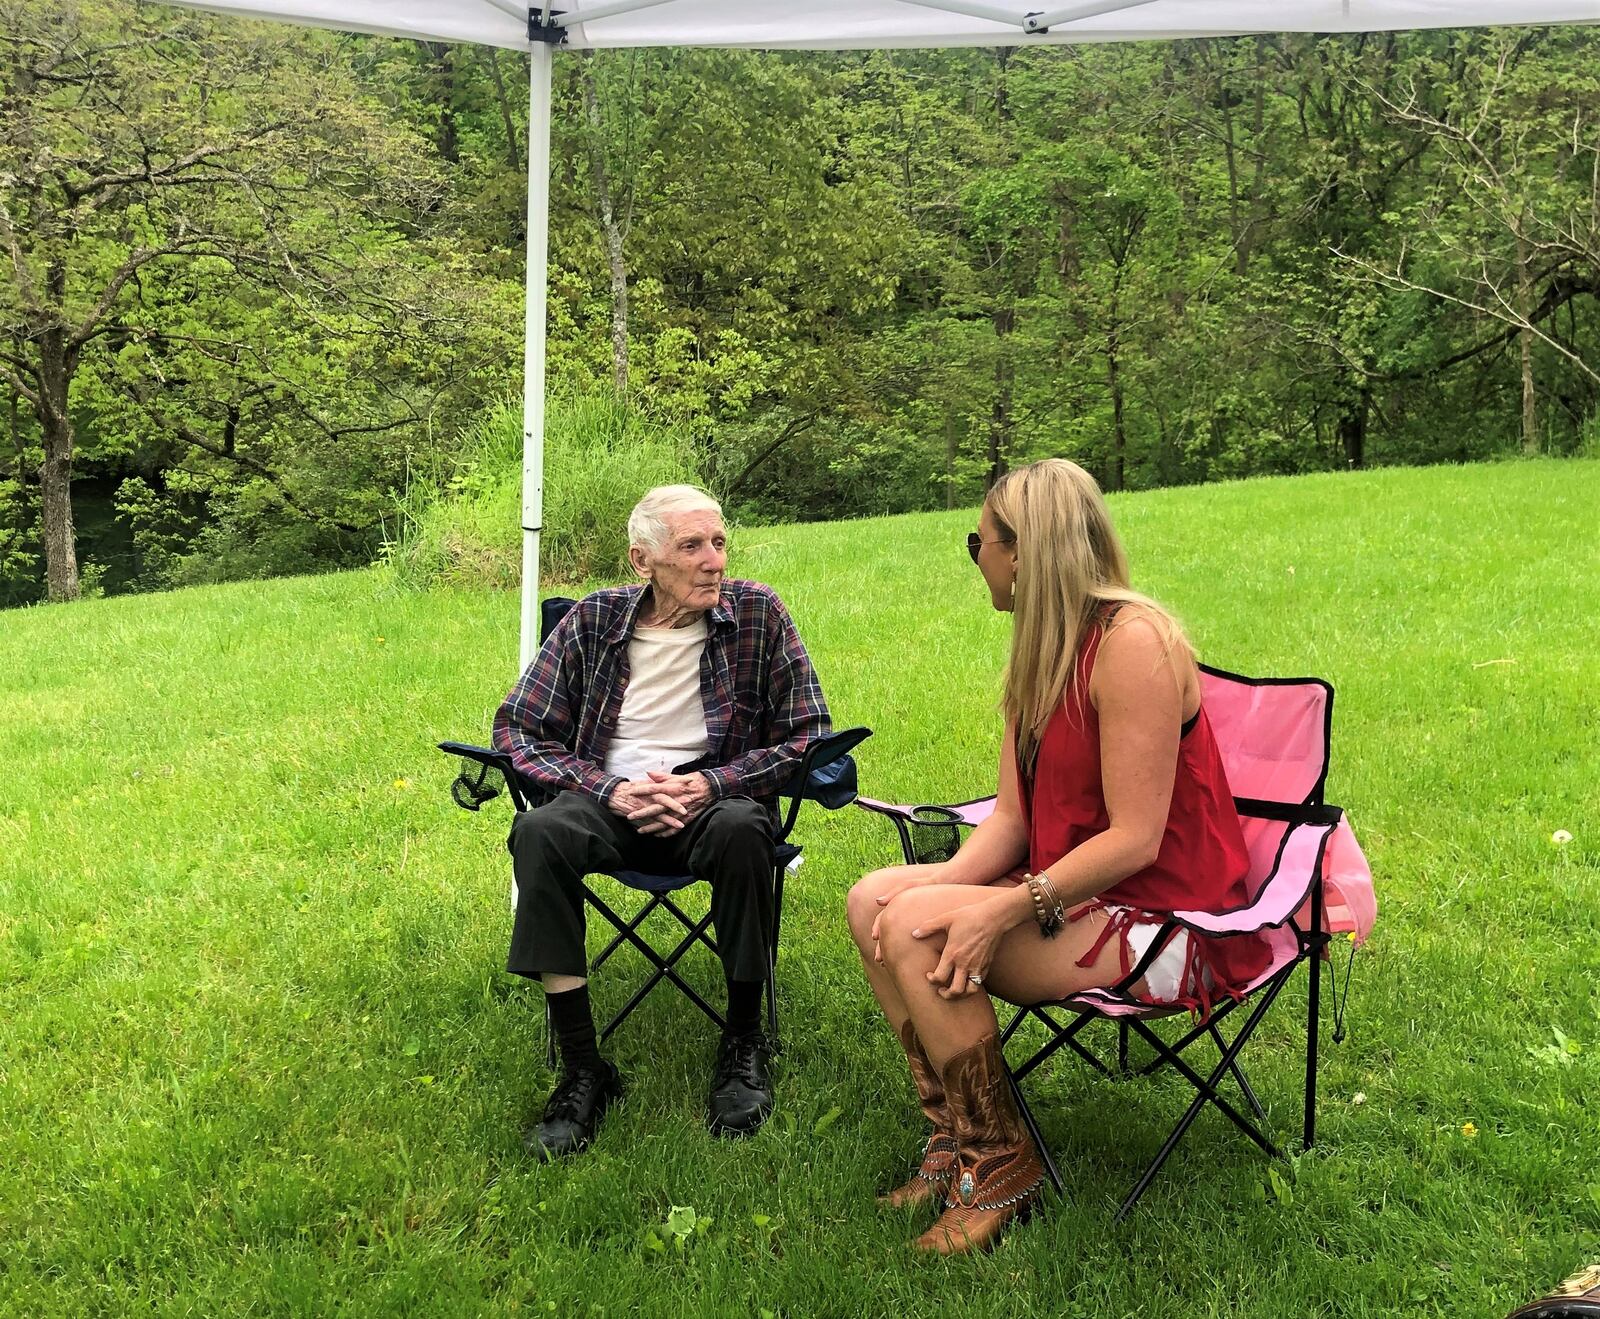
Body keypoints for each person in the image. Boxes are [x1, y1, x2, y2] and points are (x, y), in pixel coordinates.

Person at [846, 458, 1273, 1255]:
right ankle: (956, 1140)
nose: (976, 555)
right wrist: (932, 884)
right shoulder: (1042, 647)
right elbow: (1013, 820)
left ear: (1024, 552)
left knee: (916, 931)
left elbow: (1136, 839)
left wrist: (992, 910)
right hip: (1079, 890)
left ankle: (1001, 1161)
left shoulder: (1132, 643)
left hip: (1169, 915)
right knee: (875, 899)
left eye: (980, 540)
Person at [493, 484, 830, 1158]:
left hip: (714, 806)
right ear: (642, 560)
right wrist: (609, 788)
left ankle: (742, 1041)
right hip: (610, 804)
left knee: (742, 830)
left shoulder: (759, 612)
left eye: (719, 542)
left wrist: (711, 783)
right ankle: (583, 1065)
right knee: (538, 832)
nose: (714, 561)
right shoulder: (592, 621)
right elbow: (517, 728)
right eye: (692, 546)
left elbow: (807, 735)